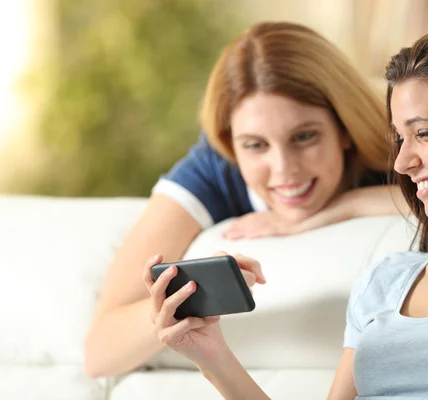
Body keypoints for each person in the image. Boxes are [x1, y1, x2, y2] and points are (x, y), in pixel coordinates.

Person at [142, 17, 428, 399]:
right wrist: (211, 355)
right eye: (400, 138)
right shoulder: (388, 280)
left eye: (423, 133)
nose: (402, 161)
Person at [84, 21, 407, 378]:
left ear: (344, 128)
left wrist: (346, 206)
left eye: (304, 137)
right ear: (230, 144)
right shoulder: (210, 170)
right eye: (255, 145)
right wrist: (187, 299)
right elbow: (100, 353)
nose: (284, 170)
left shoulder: (400, 136)